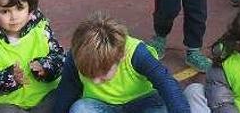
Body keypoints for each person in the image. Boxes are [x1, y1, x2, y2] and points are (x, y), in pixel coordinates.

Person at [54, 13, 189, 113]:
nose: (95, 81)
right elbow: (68, 87)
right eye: (89, 75)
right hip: (101, 104)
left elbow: (167, 84)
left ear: (120, 57)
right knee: (80, 109)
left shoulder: (137, 53)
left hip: (145, 102)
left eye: (102, 74)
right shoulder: (77, 53)